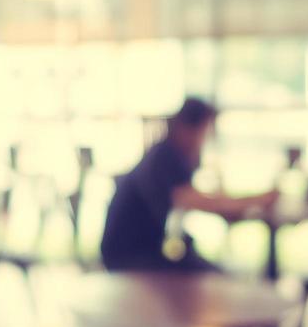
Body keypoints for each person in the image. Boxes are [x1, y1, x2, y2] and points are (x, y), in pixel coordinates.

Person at [99, 97, 278, 272]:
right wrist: (259, 199)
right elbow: (202, 202)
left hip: (143, 250)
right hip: (130, 256)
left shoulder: (168, 154)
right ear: (187, 129)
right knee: (214, 276)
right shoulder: (165, 157)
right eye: (205, 132)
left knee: (210, 270)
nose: (204, 141)